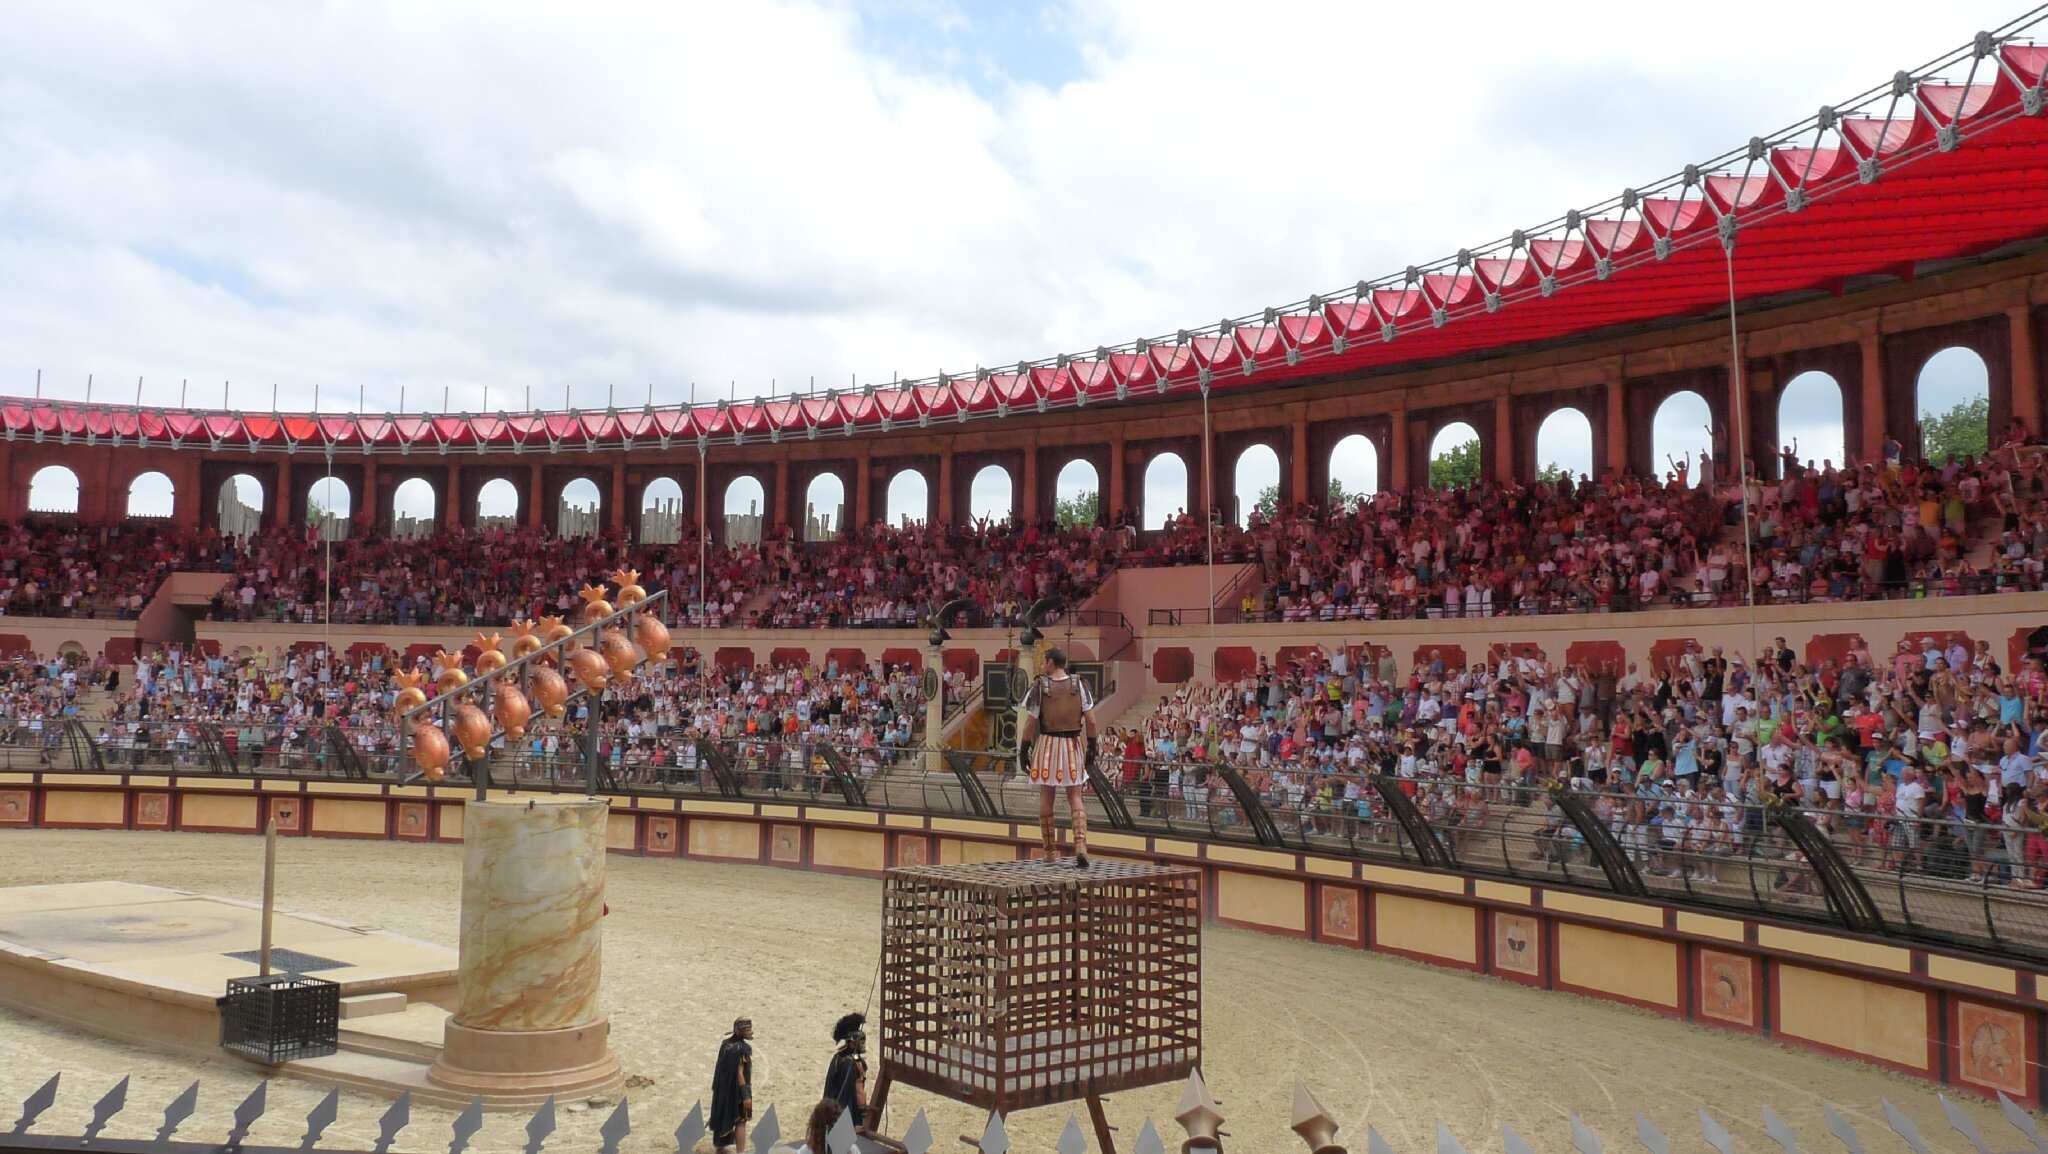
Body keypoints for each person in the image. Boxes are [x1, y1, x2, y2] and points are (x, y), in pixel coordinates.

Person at [1018, 647, 1098, 867]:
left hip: (1048, 745)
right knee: (1075, 796)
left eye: (1044, 662)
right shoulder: (1080, 685)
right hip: (1072, 744)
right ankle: (1081, 845)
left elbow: (1030, 723)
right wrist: (1092, 747)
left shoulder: (1039, 687)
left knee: (1047, 798)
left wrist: (1024, 749)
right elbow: (1091, 721)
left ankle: (1050, 850)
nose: (1042, 665)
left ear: (1051, 663)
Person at [710, 1018, 754, 1154]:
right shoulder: (741, 1049)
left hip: (723, 1090)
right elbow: (739, 1073)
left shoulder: (725, 1045)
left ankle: (720, 1146)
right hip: (737, 1091)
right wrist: (745, 1095)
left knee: (722, 1115)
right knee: (741, 1122)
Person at [823, 1013, 870, 1130]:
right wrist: (864, 1113)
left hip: (832, 1109)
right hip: (850, 1112)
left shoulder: (837, 1058)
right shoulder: (855, 1063)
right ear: (851, 1042)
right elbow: (859, 1090)